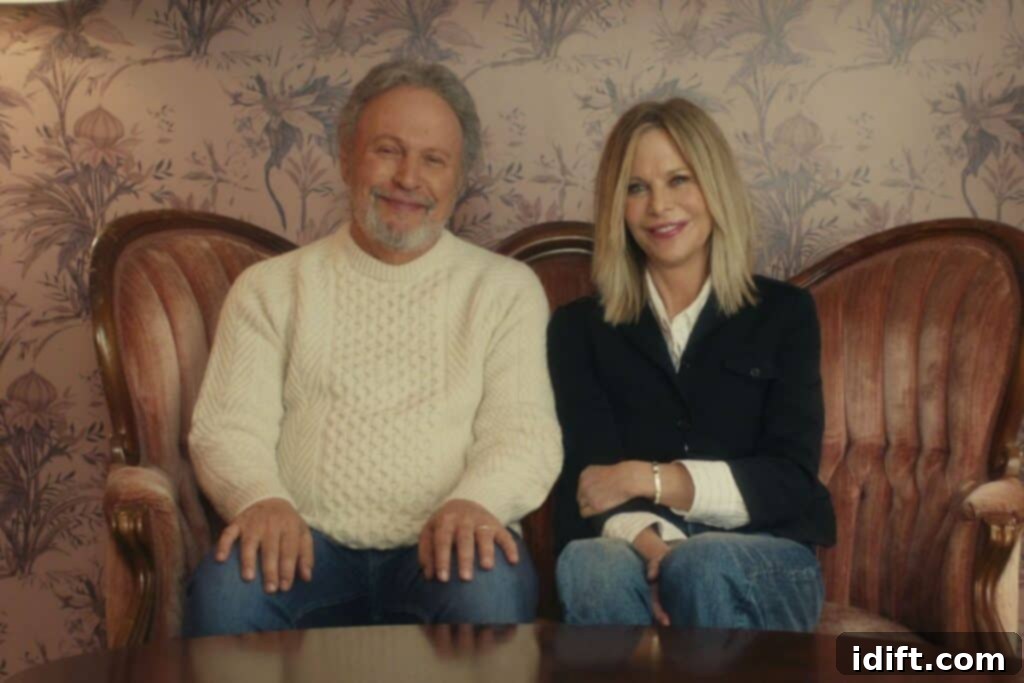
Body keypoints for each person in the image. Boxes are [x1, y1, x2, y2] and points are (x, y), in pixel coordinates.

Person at [183, 60, 562, 636]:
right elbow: (228, 428)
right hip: (304, 550)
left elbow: (524, 433)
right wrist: (260, 498)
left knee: (490, 586)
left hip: (442, 553)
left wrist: (477, 502)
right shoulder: (271, 288)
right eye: (388, 150)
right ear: (345, 158)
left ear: (457, 180)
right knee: (228, 592)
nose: (408, 178)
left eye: (433, 160)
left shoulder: (504, 289)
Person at [549, 98, 836, 630]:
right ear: (617, 205)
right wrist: (658, 552)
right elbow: (589, 485)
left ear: (714, 187)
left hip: (768, 558)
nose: (659, 205)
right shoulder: (576, 329)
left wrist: (647, 478)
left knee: (704, 565)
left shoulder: (785, 315)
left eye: (679, 179)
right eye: (636, 187)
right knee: (589, 564)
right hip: (635, 546)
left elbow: (788, 482)